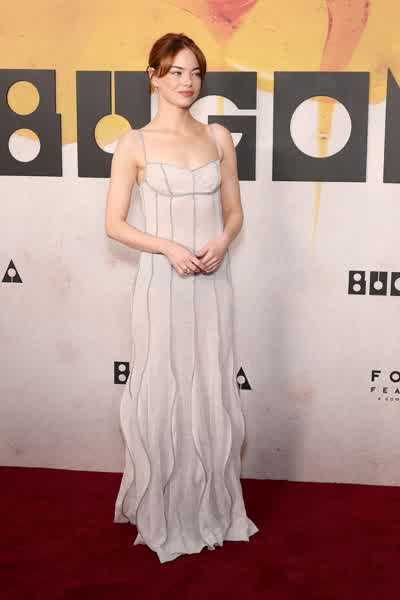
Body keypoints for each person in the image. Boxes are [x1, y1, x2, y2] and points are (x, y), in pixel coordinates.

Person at [105, 32, 259, 564]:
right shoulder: (134, 144)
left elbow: (235, 212)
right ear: (153, 76)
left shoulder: (218, 137)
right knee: (163, 387)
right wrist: (167, 246)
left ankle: (212, 507)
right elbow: (114, 224)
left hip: (212, 283)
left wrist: (223, 240)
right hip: (161, 284)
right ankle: (163, 509)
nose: (186, 82)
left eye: (195, 73)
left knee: (210, 386)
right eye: (175, 72)